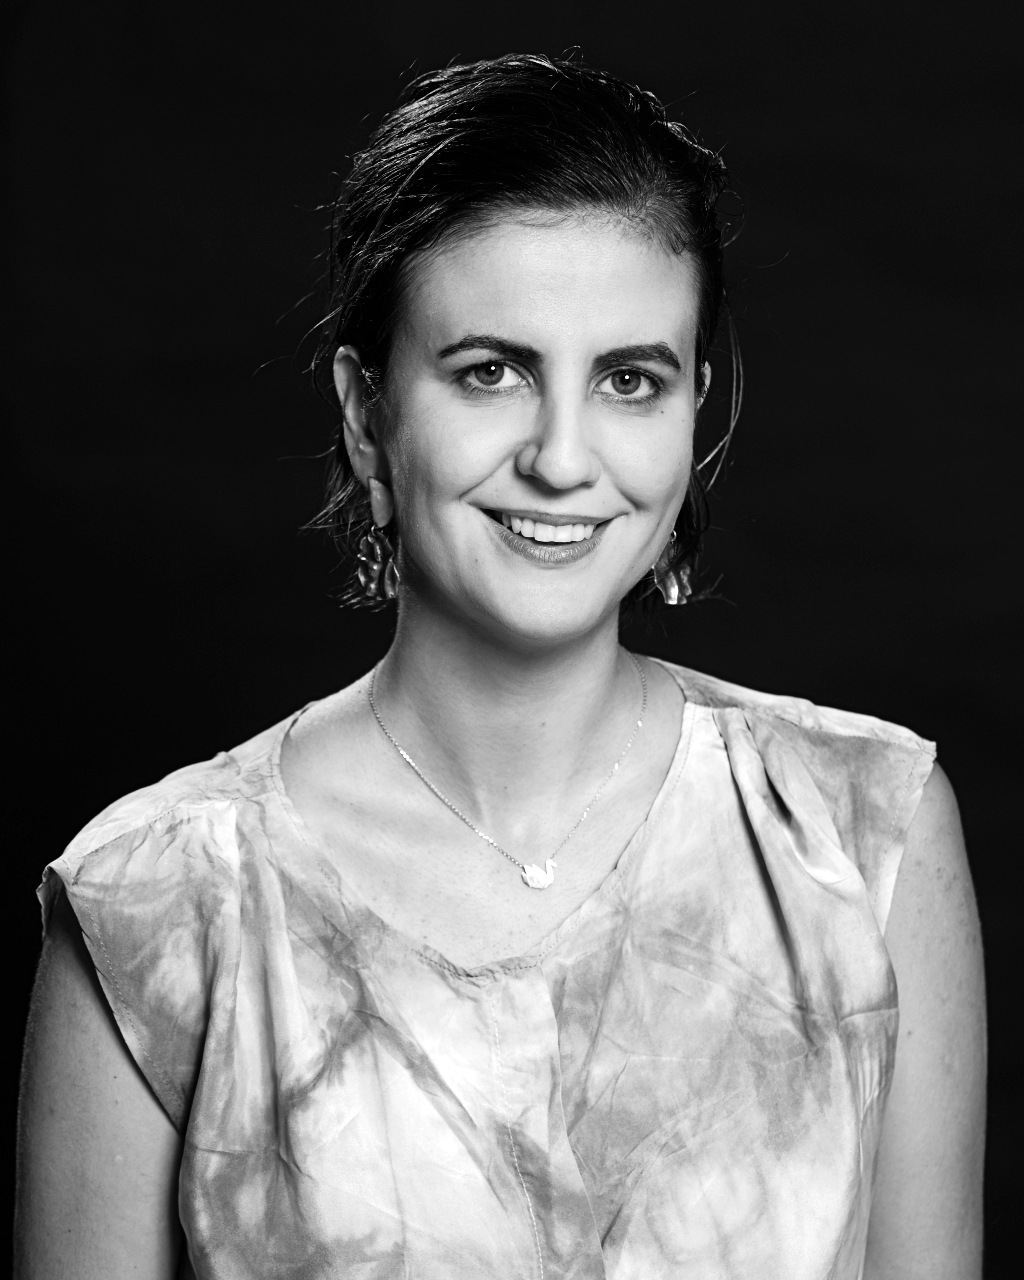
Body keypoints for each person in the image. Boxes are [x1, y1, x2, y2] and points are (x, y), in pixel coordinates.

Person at [15, 53, 985, 1280]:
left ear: (692, 410)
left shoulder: (864, 832)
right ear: (367, 415)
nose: (562, 458)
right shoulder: (155, 899)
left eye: (628, 379)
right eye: (491, 371)